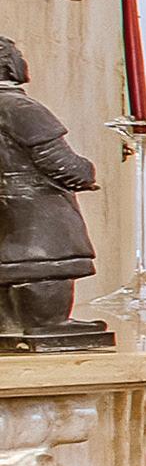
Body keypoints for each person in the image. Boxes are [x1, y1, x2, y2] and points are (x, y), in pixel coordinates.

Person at [0, 38, 107, 347]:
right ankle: (48, 322)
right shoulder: (19, 107)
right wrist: (85, 173)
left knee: (11, 270)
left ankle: (11, 323)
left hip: (7, 207)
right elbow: (56, 159)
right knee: (46, 267)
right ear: (9, 65)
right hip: (34, 206)